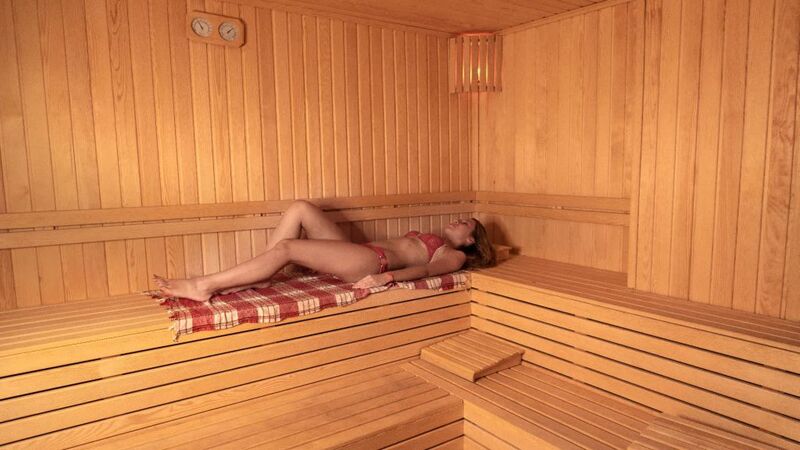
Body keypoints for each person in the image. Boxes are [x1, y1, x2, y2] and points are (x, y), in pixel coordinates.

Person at [153, 199, 496, 303]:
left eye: (465, 223)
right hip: (358, 251)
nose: (458, 220)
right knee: (300, 209)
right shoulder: (435, 238)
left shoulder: (455, 256)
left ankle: (204, 285)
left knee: (287, 248)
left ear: (471, 240)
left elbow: (425, 272)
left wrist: (386, 277)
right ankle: (258, 276)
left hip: (372, 262)